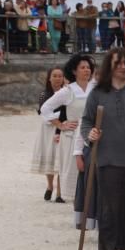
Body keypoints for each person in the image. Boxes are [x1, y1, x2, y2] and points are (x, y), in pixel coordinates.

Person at [80, 49, 125, 250]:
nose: (122, 66)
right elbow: (87, 122)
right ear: (110, 66)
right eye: (118, 63)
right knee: (109, 208)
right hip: (107, 158)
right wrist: (90, 135)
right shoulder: (97, 93)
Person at [40, 54, 96, 214]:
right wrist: (60, 124)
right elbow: (45, 108)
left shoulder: (96, 88)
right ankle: (78, 212)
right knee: (74, 173)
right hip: (72, 137)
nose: (87, 70)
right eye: (83, 67)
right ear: (74, 71)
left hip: (93, 135)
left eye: (88, 67)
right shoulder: (68, 91)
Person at [31, 67, 66, 201]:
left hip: (62, 128)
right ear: (49, 78)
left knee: (61, 159)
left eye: (60, 76)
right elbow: (43, 113)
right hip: (47, 129)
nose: (58, 78)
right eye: (55, 76)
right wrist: (56, 117)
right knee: (49, 157)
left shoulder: (66, 93)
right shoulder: (44, 94)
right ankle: (50, 186)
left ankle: (59, 192)